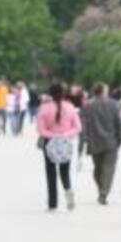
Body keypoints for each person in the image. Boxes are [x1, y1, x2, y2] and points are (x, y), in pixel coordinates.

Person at [37, 83, 82, 212]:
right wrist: (64, 135)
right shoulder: (70, 107)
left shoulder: (44, 108)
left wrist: (53, 135)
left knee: (50, 172)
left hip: (49, 143)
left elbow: (40, 129)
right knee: (65, 170)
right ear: (63, 93)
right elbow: (78, 127)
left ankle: (53, 204)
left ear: (50, 94)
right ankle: (68, 190)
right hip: (66, 142)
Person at [80, 82, 121, 205]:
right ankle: (103, 192)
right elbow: (119, 123)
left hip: (94, 142)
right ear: (104, 91)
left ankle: (102, 190)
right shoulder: (114, 105)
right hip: (111, 142)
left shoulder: (87, 106)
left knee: (98, 169)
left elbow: (83, 125)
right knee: (108, 169)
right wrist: (119, 139)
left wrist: (84, 140)